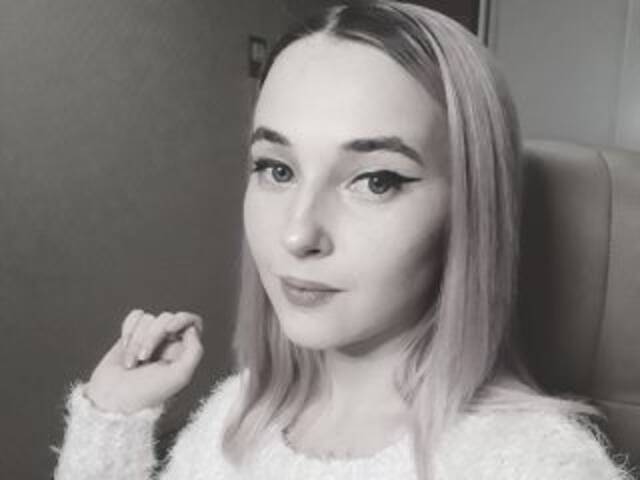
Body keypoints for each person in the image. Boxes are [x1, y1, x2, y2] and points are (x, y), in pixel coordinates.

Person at [52, 2, 634, 479]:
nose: (297, 233)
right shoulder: (232, 416)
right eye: (277, 169)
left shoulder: (538, 467)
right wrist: (112, 419)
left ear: (470, 209)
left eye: (376, 180)